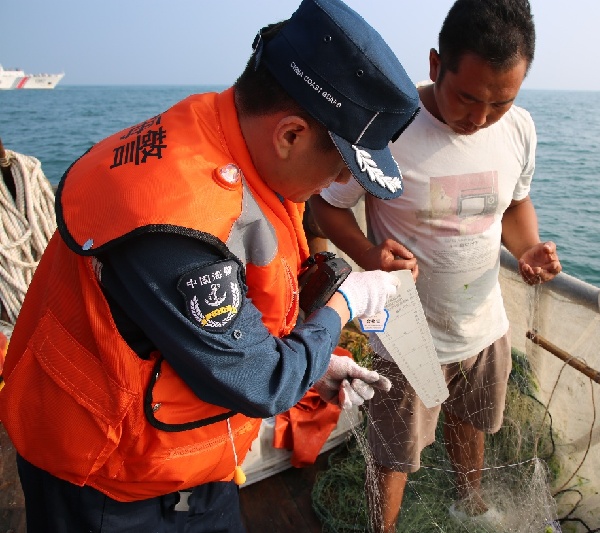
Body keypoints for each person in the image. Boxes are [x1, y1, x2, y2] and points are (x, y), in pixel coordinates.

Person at [0, 0, 420, 531]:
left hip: (199, 468)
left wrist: (316, 365)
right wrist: (345, 303)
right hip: (107, 486)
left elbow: (238, 325)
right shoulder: (175, 217)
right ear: (290, 135)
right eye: (341, 166)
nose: (339, 184)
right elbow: (262, 382)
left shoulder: (224, 132)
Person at [309, 0, 562, 530]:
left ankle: (468, 503)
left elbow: (515, 204)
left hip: (483, 322)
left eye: (501, 102)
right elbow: (326, 206)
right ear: (435, 64)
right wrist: (368, 255)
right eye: (467, 97)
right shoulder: (386, 128)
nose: (480, 118)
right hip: (405, 332)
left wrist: (527, 249)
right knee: (394, 454)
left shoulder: (519, 129)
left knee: (471, 422)